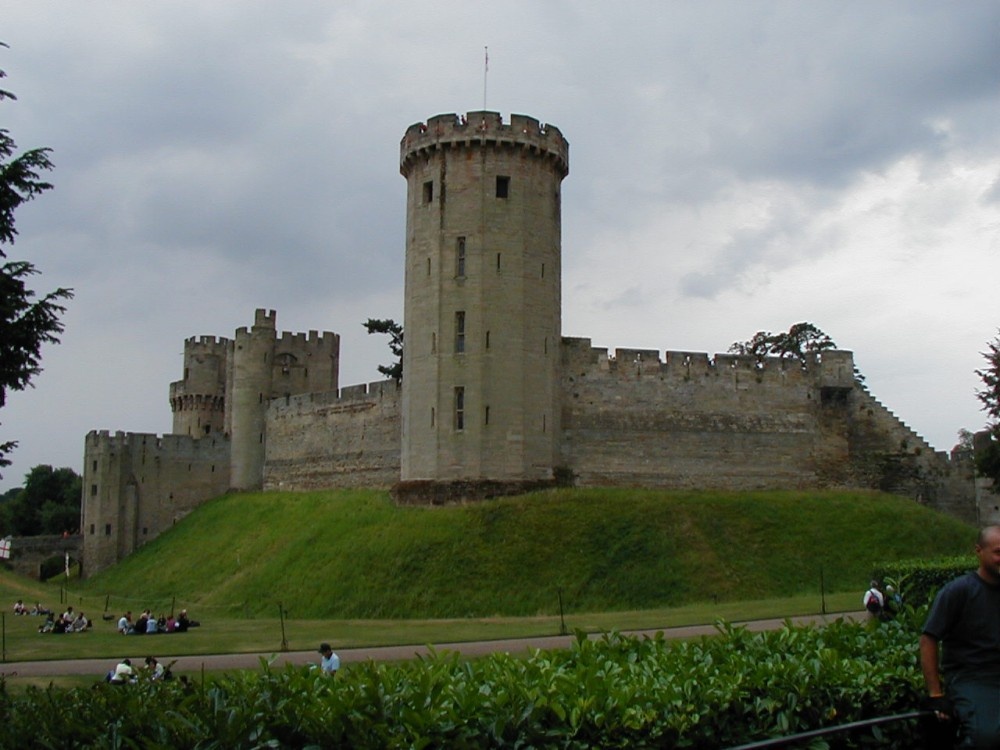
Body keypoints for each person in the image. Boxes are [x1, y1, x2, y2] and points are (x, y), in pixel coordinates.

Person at [921, 524, 1000, 748]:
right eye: (998, 552)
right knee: (985, 737)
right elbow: (928, 639)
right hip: (972, 678)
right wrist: (935, 695)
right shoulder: (958, 591)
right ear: (978, 551)